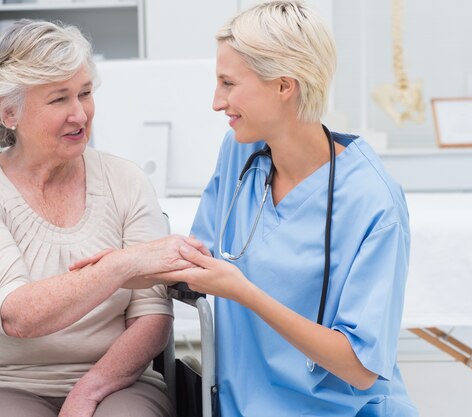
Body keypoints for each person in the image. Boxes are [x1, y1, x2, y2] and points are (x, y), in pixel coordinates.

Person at [153, 1, 418, 416]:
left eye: (228, 83)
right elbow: (198, 255)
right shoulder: (240, 153)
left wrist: (243, 291)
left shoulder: (373, 201)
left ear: (284, 86)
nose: (216, 102)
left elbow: (361, 367)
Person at [0, 19, 197, 417]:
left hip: (121, 382)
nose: (80, 115)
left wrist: (90, 389)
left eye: (85, 93)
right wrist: (120, 265)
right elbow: (18, 315)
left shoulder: (126, 180)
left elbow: (152, 316)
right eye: (59, 99)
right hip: (1, 384)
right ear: (9, 111)